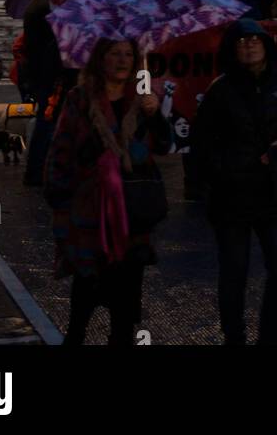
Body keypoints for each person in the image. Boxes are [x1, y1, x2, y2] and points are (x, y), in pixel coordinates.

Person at [43, 37, 171, 346]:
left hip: (131, 213)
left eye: (129, 54)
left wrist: (156, 115)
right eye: (115, 53)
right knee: (84, 298)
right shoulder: (80, 98)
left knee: (125, 306)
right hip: (90, 212)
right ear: (101, 58)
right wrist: (61, 200)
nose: (123, 60)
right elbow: (61, 149)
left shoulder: (143, 99)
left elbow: (165, 146)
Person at [191, 19, 277, 345]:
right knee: (234, 273)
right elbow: (202, 146)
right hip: (232, 198)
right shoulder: (220, 90)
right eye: (242, 41)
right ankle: (235, 337)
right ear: (232, 48)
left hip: (274, 193)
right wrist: (220, 176)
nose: (249, 45)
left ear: (266, 44)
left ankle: (270, 336)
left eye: (255, 39)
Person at [22, 0, 66, 185]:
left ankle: (38, 170)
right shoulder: (44, 8)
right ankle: (37, 171)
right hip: (47, 72)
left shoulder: (38, 4)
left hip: (42, 71)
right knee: (46, 121)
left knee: (47, 120)